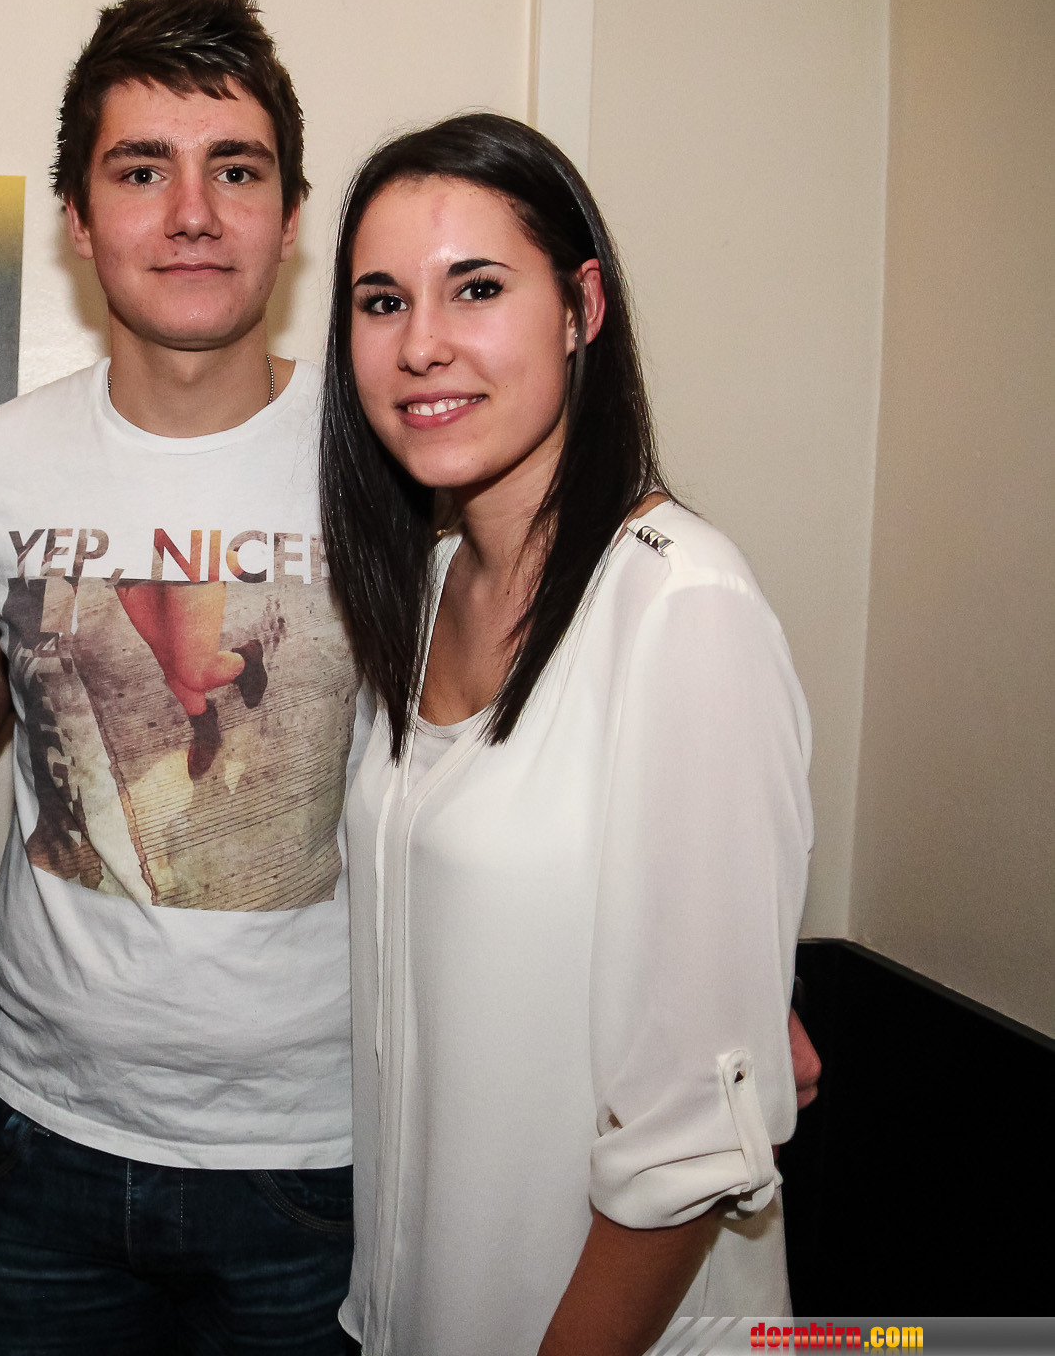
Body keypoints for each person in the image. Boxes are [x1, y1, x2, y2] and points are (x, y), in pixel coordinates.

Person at [320, 113, 809, 1355]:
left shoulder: (679, 601)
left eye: (477, 287)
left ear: (582, 307)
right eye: (382, 301)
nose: (421, 343)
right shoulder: (423, 594)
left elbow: (689, 1141)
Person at [0, 0, 359, 1353]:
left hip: (323, 1152)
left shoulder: (390, 459)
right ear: (77, 216)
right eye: (139, 171)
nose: (191, 212)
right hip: (39, 1143)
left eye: (236, 169)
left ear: (291, 215)